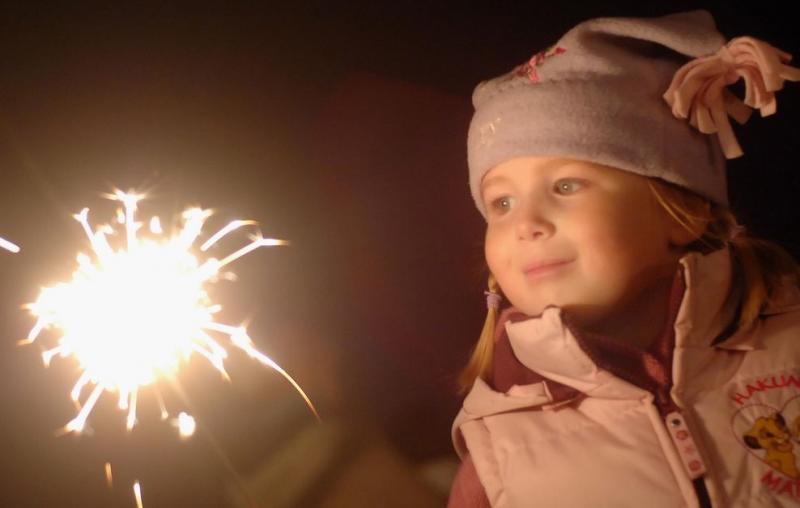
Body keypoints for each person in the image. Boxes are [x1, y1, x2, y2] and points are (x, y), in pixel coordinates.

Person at [447, 9, 800, 507]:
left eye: (566, 185)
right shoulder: (497, 446)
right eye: (501, 203)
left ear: (680, 214)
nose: (526, 224)